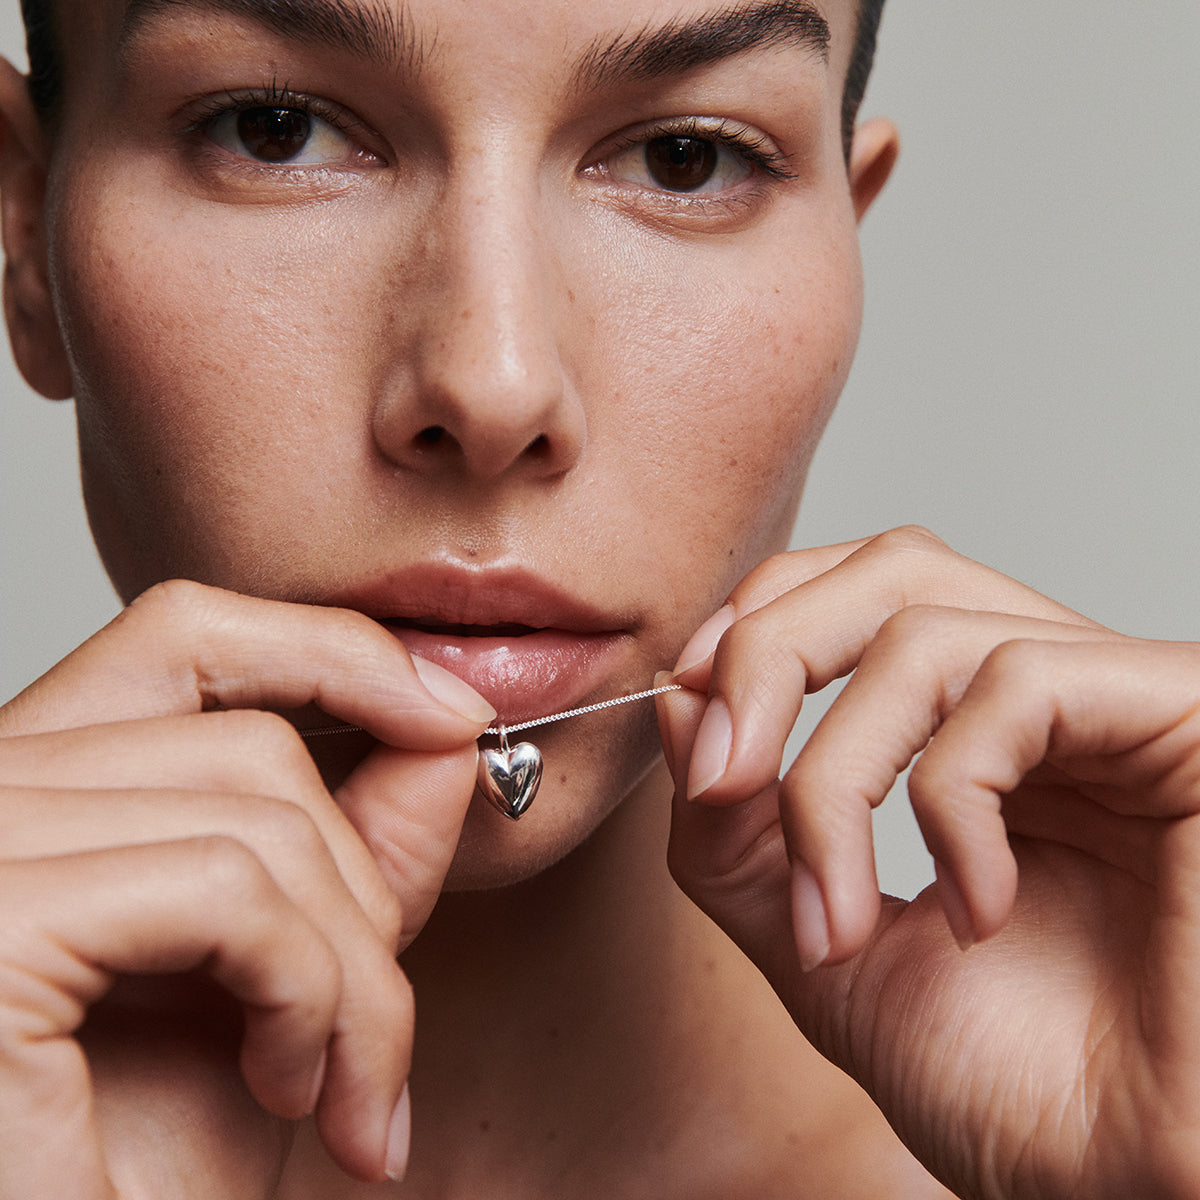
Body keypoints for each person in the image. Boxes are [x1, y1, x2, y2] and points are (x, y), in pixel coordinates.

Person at [0, 0, 1197, 1196]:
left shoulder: (1118, 1139)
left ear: (852, 236)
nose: (493, 385)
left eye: (688, 159)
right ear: (22, 236)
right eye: (275, 130)